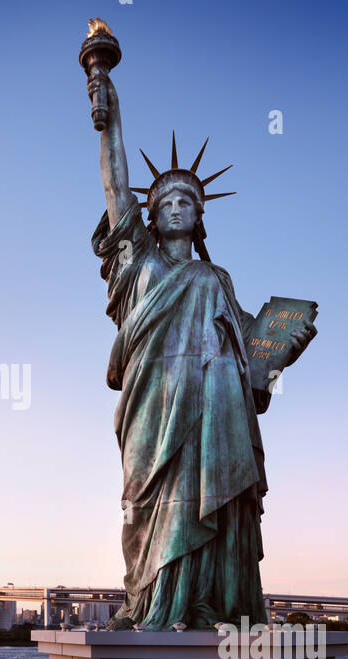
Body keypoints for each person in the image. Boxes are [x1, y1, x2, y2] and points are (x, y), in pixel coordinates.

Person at [88, 74, 315, 630]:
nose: (174, 207)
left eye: (186, 200)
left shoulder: (216, 277)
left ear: (199, 214)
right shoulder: (137, 265)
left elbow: (250, 356)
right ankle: (147, 600)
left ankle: (206, 601)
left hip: (213, 410)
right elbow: (117, 189)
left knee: (207, 496)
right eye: (164, 200)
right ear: (151, 212)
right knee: (147, 503)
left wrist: (281, 350)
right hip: (152, 400)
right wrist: (106, 99)